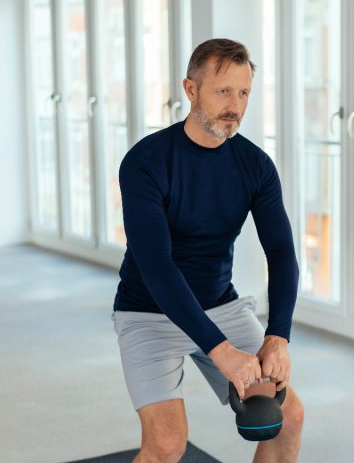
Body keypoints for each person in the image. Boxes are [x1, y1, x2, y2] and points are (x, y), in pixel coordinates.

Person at [112, 38, 304, 463]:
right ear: (191, 89)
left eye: (243, 93)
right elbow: (157, 267)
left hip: (219, 304)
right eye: (223, 91)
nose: (234, 105)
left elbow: (282, 253)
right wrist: (221, 352)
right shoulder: (145, 162)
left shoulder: (255, 165)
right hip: (147, 312)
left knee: (287, 418)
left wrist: (279, 336)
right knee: (165, 445)